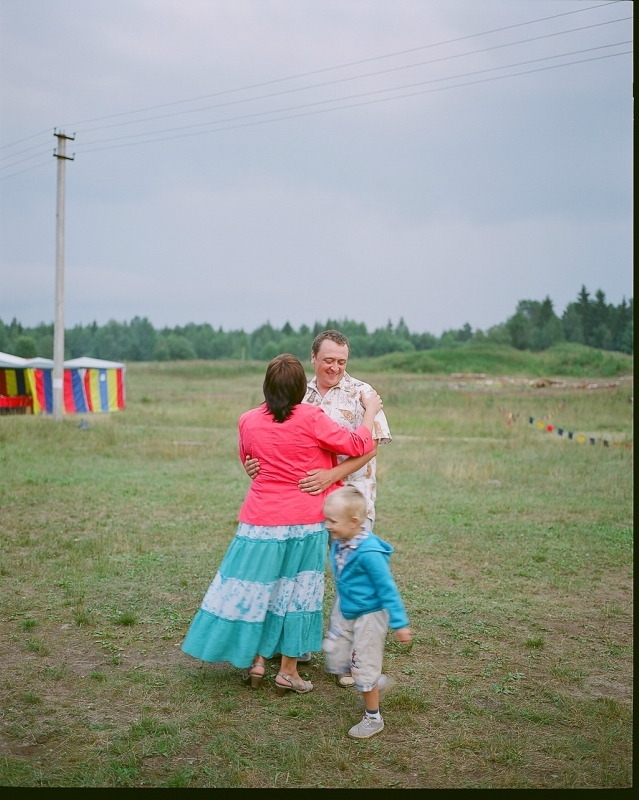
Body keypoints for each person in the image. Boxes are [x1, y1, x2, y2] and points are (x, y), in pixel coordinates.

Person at [181, 354, 383, 696]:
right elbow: (358, 444)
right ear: (300, 389)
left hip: (257, 521)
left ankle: (257, 660)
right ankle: (287, 671)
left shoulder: (247, 420)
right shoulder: (311, 416)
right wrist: (370, 412)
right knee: (297, 594)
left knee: (260, 589)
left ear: (266, 386)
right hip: (304, 520)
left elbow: (247, 458)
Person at [244, 330, 392, 686]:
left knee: (352, 581)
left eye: (342, 361)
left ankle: (347, 661)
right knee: (300, 578)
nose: (335, 368)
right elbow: (270, 438)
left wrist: (331, 475)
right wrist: (253, 464)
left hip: (352, 500)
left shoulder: (362, 393)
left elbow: (369, 446)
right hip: (304, 506)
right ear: (313, 358)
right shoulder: (296, 391)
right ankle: (300, 647)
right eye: (328, 360)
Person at [322, 486, 411, 739]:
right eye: (326, 518)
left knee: (363, 666)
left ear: (354, 522)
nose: (327, 525)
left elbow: (387, 589)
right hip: (348, 609)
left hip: (370, 616)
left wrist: (400, 623)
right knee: (335, 653)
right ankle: (376, 682)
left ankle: (373, 718)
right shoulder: (340, 542)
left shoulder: (370, 552)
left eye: (332, 520)